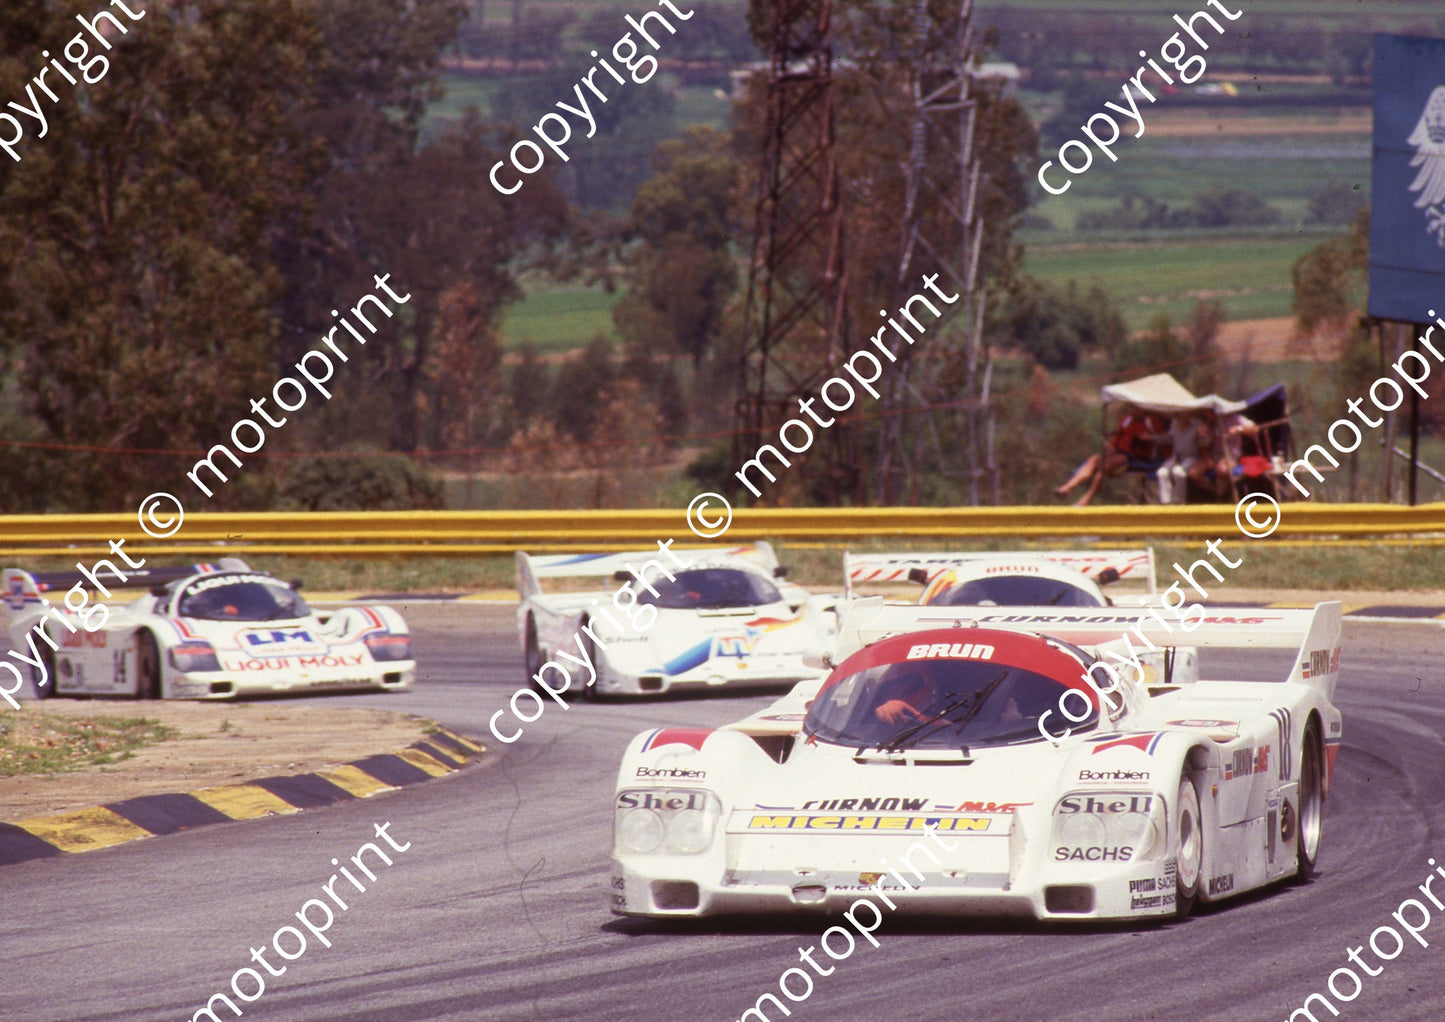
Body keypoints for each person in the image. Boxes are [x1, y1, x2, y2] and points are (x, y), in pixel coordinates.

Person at [1055, 406, 1168, 507]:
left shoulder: (1152, 421)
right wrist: (1110, 451)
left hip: (1138, 457)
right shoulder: (1127, 419)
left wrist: (1150, 438)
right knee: (1093, 460)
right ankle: (1068, 487)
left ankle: (1087, 499)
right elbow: (1117, 439)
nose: (1133, 410)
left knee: (1105, 466)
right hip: (1120, 452)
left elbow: (1164, 439)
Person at [1158, 410, 1203, 504]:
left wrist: (1202, 435)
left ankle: (1179, 502)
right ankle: (1166, 503)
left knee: (1178, 472)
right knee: (1161, 473)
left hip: (1191, 458)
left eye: (1186, 413)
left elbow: (1204, 442)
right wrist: (1150, 437)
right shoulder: (1174, 425)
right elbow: (1168, 438)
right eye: (1181, 414)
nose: (1183, 416)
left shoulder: (1196, 425)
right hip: (1176, 457)